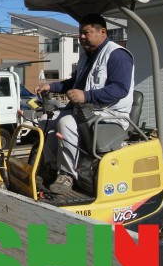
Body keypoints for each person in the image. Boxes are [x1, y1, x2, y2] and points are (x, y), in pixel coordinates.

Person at [35, 13, 135, 193]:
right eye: (80, 32)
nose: (81, 37)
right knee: (46, 120)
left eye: (86, 32)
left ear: (102, 32)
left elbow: (121, 88)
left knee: (66, 123)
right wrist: (50, 86)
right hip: (85, 111)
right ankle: (51, 168)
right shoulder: (87, 57)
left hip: (109, 115)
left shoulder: (117, 55)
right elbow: (73, 84)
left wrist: (86, 96)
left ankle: (67, 175)